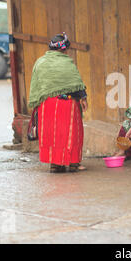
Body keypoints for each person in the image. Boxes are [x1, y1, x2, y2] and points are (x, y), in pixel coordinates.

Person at [28, 33, 88, 173]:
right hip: (67, 104)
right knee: (71, 133)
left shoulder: (40, 62)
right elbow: (76, 83)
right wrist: (83, 98)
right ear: (64, 49)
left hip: (47, 105)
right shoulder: (67, 63)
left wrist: (37, 103)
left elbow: (37, 86)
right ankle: (74, 163)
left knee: (52, 135)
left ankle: (55, 164)